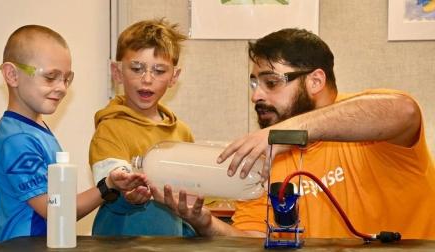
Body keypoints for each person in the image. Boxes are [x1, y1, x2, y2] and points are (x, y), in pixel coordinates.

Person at [152, 28, 435, 239]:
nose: (257, 96)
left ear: (315, 81)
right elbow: (253, 239)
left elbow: (404, 111)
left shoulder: (368, 124)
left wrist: (284, 133)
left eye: (271, 82)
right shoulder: (264, 159)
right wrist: (205, 223)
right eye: (254, 84)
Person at [0, 25, 148, 243]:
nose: (62, 88)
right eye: (50, 77)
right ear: (12, 75)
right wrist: (107, 185)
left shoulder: (34, 131)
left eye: (66, 78)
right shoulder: (17, 140)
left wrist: (110, 185)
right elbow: (56, 211)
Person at [89, 18, 196, 236]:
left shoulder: (182, 132)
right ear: (117, 72)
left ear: (174, 77)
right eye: (137, 68)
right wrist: (126, 196)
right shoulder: (110, 129)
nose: (147, 79)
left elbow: (186, 201)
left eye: (159, 71)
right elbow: (107, 188)